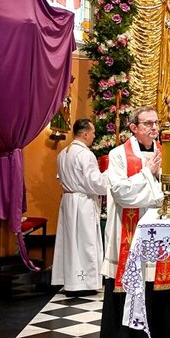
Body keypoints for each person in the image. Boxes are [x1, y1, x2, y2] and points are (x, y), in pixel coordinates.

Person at [99, 106, 170, 338]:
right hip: (129, 230)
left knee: (155, 278)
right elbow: (122, 193)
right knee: (133, 276)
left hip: (157, 231)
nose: (154, 128)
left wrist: (158, 179)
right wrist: (148, 174)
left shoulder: (166, 153)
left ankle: (162, 336)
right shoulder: (119, 155)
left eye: (156, 123)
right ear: (134, 127)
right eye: (148, 123)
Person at [51, 119, 109, 296]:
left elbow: (60, 178)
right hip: (82, 202)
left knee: (70, 242)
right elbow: (95, 183)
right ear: (85, 134)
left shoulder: (63, 153)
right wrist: (110, 174)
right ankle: (84, 283)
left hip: (68, 200)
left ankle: (70, 280)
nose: (94, 136)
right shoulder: (85, 154)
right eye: (92, 133)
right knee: (85, 242)